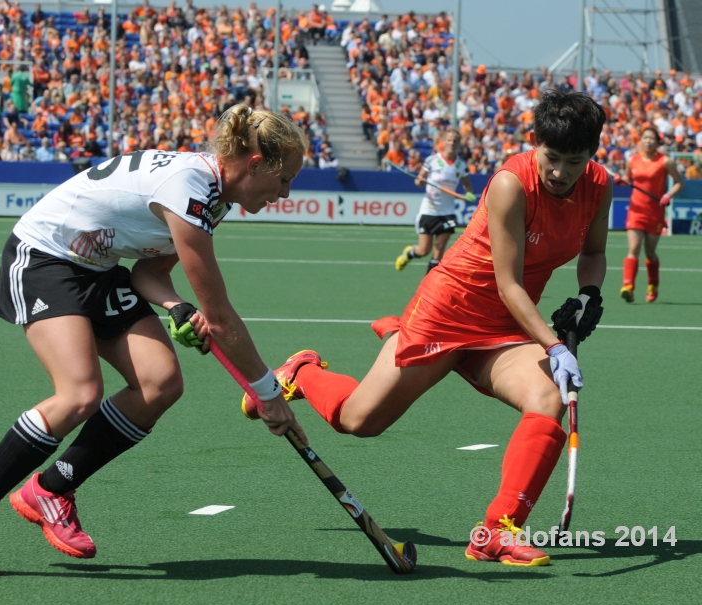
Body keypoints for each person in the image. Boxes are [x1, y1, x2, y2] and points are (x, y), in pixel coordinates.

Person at [0, 104, 309, 580]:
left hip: (99, 270)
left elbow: (148, 272)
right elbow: (223, 319)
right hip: (46, 258)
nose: (285, 193)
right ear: (255, 165)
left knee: (160, 382)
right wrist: (269, 394)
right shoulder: (190, 189)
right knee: (79, 393)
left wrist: (175, 306)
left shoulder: (215, 196)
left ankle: (50, 489)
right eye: (285, 180)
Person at [242, 91, 611, 567]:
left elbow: (595, 254)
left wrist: (588, 295)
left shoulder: (598, 186)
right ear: (535, 143)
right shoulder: (511, 184)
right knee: (359, 421)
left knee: (548, 397)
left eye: (574, 161)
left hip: (503, 327)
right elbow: (507, 283)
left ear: (592, 156)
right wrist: (555, 344)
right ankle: (301, 371)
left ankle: (497, 532)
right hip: (448, 310)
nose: (560, 172)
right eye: (552, 157)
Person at [614, 126, 684, 303]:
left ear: (657, 141)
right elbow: (628, 180)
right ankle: (628, 286)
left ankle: (653, 284)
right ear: (640, 140)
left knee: (650, 252)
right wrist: (622, 180)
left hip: (655, 212)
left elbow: (679, 183)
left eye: (651, 138)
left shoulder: (665, 161)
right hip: (636, 210)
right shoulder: (633, 160)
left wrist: (668, 195)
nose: (648, 141)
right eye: (645, 138)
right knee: (634, 248)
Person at [395, 130, 476, 274]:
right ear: (444, 141)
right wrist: (420, 181)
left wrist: (468, 194)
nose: (452, 143)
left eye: (455, 141)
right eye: (449, 140)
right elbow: (419, 181)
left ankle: (428, 285)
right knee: (424, 250)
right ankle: (409, 254)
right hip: (429, 210)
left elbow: (467, 185)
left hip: (447, 212)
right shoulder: (432, 160)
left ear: (458, 143)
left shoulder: (461, 165)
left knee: (439, 250)